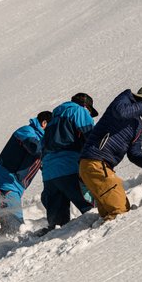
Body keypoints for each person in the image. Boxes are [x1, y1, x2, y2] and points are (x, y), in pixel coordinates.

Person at [79, 85, 142, 222]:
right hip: (95, 162)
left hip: (101, 167)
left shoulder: (137, 125)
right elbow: (121, 112)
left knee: (111, 214)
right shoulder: (124, 99)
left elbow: (134, 154)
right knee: (120, 212)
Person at [39, 93, 98, 235]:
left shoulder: (53, 119)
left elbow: (41, 146)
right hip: (69, 168)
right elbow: (92, 136)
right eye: (89, 111)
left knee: (58, 225)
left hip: (49, 173)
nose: (89, 114)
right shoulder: (78, 111)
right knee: (94, 211)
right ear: (85, 106)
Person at [0, 111, 53, 235]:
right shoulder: (27, 131)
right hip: (7, 183)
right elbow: (34, 148)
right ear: (44, 123)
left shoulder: (39, 138)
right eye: (52, 127)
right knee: (15, 228)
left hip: (12, 185)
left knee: (9, 229)